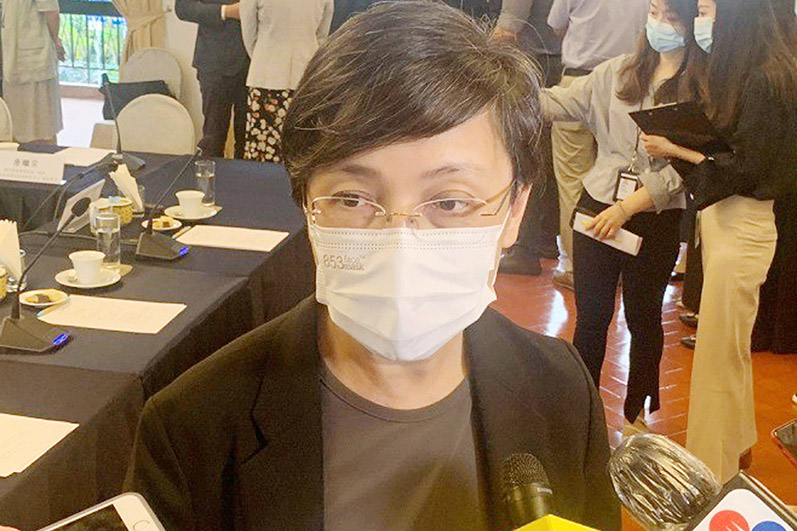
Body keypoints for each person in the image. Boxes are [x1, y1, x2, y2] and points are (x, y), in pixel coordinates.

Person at [125, 3, 620, 530]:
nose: (400, 242)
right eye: (353, 198)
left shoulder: (560, 391)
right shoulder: (191, 429)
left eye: (450, 202)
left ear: (514, 210)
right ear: (306, 204)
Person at [641, 0, 797, 481]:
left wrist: (675, 148)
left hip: (743, 225)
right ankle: (738, 443)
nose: (701, 21)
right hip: (727, 223)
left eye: (708, 10)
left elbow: (744, 169)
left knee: (716, 357)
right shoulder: (753, 72)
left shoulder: (769, 79)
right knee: (728, 350)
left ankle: (710, 469)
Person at [540, 0, 702, 435]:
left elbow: (684, 171)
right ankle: (582, 413)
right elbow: (557, 103)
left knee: (644, 318)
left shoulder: (702, 88)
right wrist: (503, 89)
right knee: (591, 319)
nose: (658, 24)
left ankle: (636, 416)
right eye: (654, 12)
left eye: (670, 17)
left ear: (690, 24)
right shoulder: (616, 72)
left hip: (655, 217)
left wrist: (628, 208)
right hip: (597, 207)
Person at [546, 0, 649, 290]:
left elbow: (556, 25)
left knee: (572, 182)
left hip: (579, 78)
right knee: (624, 174)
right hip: (629, 85)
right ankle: (616, 260)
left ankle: (578, 268)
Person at [494, 0, 563, 276]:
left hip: (534, 64)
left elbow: (508, 28)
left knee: (529, 154)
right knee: (554, 159)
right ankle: (546, 237)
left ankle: (525, 248)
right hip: (564, 63)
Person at [240, 0, 333, 163]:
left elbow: (249, 32)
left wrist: (264, 56)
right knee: (301, 150)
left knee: (263, 152)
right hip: (306, 75)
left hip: (266, 75)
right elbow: (322, 36)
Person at [175, 0, 249, 158]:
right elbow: (183, 8)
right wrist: (226, 11)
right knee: (213, 138)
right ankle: (212, 175)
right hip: (214, 63)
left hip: (255, 64)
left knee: (249, 139)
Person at [0, 0, 64, 143]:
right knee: (22, 122)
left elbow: (51, 12)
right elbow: (52, 13)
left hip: (30, 57)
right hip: (16, 55)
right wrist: (56, 40)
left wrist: (56, 40)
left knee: (37, 125)